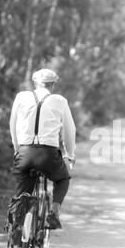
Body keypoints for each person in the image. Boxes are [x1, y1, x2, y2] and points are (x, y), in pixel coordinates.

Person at [9, 68, 76, 235]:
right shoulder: (59, 100)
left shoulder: (21, 97)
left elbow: (13, 125)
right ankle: (53, 213)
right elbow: (69, 130)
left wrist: (17, 149)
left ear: (34, 83)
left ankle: (18, 232)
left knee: (22, 194)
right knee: (63, 179)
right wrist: (70, 154)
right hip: (48, 154)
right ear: (53, 85)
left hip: (24, 152)